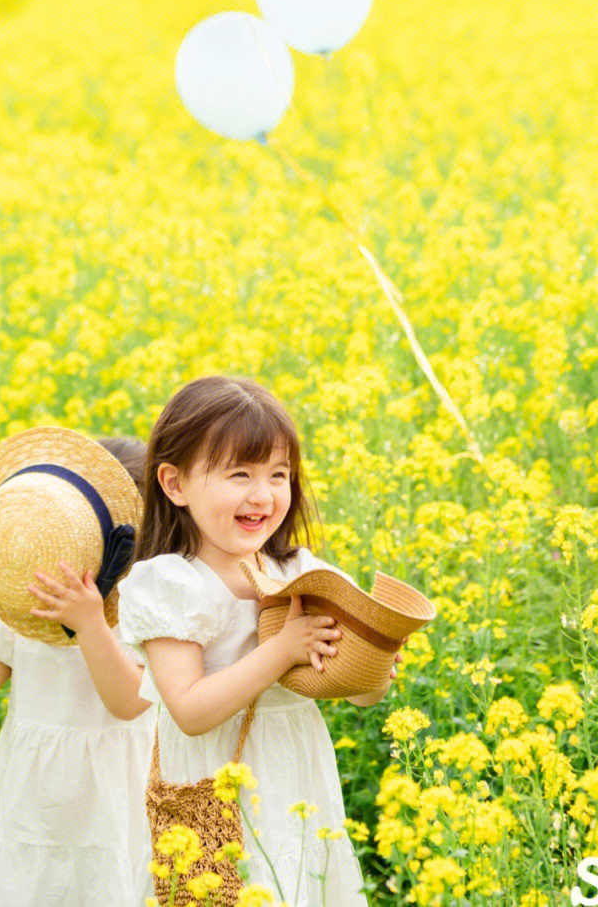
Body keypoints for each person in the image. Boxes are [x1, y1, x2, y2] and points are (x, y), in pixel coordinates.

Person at [29, 378, 384, 907]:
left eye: (278, 475)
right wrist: (283, 649)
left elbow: (355, 692)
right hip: (213, 796)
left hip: (297, 785)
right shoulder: (171, 584)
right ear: (174, 484)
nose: (262, 495)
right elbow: (190, 709)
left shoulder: (301, 572)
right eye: (239, 474)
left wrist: (372, 667)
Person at [0, 435, 153, 907]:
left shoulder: (144, 611)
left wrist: (90, 622)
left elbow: (126, 703)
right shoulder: (27, 609)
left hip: (114, 804)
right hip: (31, 806)